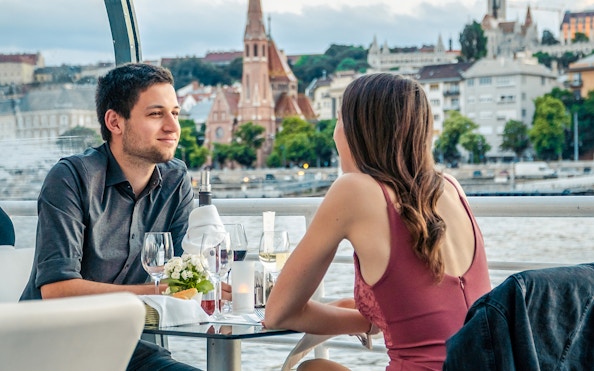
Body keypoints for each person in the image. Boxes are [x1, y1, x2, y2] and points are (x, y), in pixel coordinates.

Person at [264, 73, 492, 371]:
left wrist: (364, 323)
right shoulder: (451, 187)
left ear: (357, 130)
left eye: (338, 120)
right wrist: (371, 321)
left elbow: (279, 314)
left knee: (312, 369)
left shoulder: (353, 190)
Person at [20, 63, 199, 370]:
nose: (173, 126)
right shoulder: (71, 178)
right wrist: (161, 289)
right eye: (156, 114)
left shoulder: (176, 179)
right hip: (48, 348)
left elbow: (191, 271)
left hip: (124, 345)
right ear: (115, 122)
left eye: (176, 113)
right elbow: (57, 290)